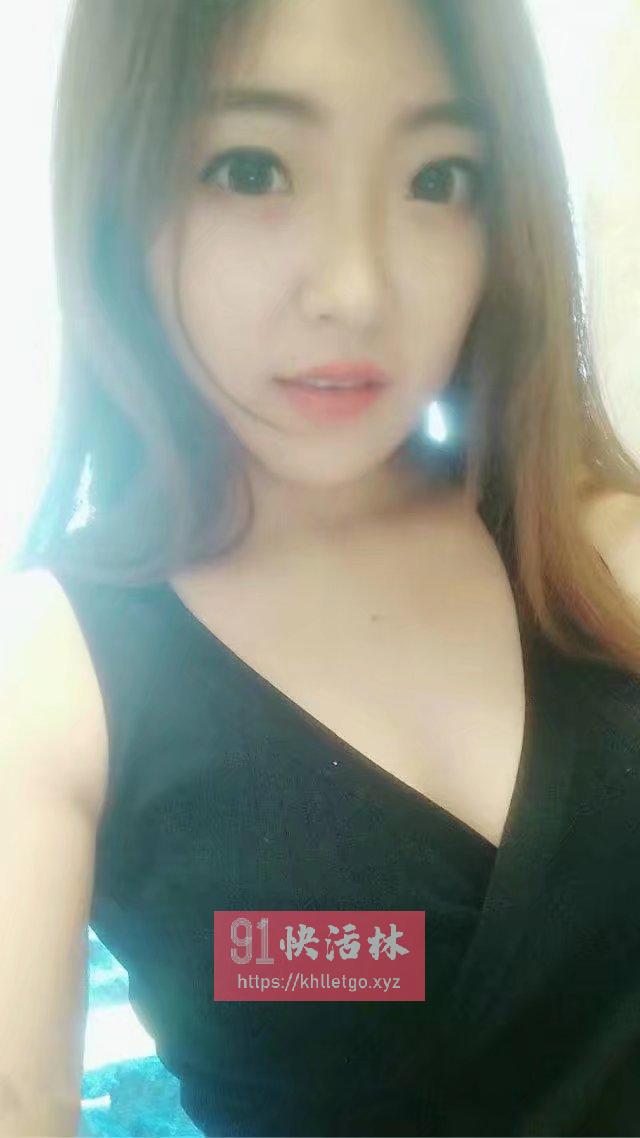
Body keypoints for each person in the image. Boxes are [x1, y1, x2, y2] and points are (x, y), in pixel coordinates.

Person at [2, 0, 640, 1134]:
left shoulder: (589, 547)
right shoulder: (50, 676)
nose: (355, 288)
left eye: (438, 179)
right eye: (250, 168)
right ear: (119, 190)